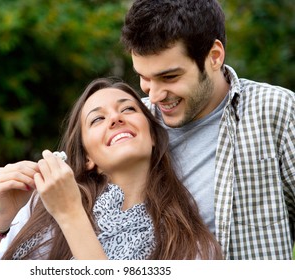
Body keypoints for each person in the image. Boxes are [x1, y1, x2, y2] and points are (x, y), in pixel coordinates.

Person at [0, 77, 221, 260]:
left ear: (153, 135)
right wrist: (1, 220)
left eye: (128, 109)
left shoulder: (189, 242)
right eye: (97, 118)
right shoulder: (45, 203)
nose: (116, 119)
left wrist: (70, 214)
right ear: (87, 158)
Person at [120, 0, 295, 259]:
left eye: (169, 77)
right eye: (144, 77)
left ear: (214, 56)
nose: (154, 96)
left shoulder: (276, 111)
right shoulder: (131, 125)